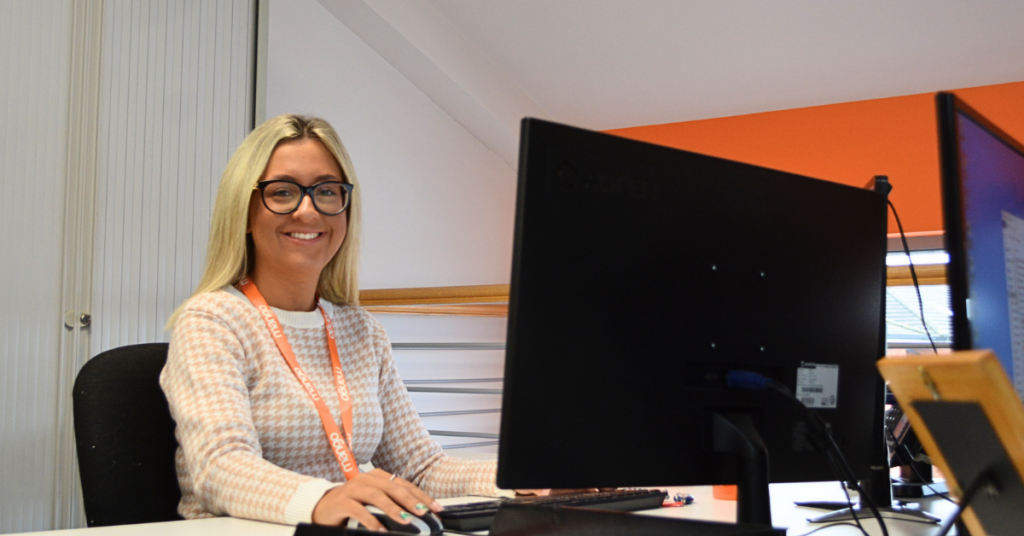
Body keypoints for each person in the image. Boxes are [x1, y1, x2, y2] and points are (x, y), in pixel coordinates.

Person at [160, 114, 500, 530]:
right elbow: (221, 469)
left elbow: (422, 467)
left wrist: (520, 480)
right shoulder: (212, 322)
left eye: (326, 191)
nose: (308, 210)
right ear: (244, 213)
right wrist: (324, 497)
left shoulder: (361, 330)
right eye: (283, 192)